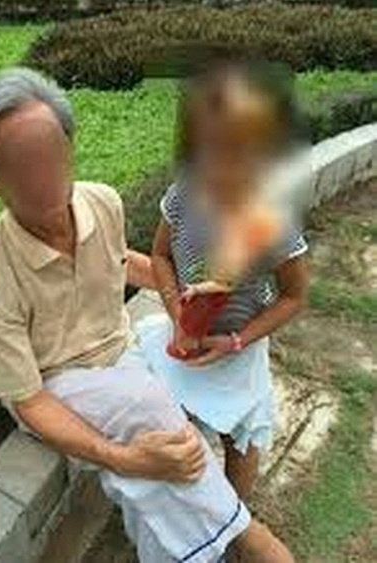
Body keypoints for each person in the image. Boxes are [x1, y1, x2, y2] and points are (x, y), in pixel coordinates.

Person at [0, 67, 296, 562]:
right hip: (58, 381)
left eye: (52, 153)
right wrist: (122, 457)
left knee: (239, 367)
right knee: (145, 409)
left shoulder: (101, 202)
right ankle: (247, 534)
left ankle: (210, 530)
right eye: (21, 164)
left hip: (123, 350)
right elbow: (29, 401)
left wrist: (189, 305)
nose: (42, 175)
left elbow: (122, 263)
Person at [138, 60, 310, 501]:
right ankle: (186, 503)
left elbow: (293, 296)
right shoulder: (183, 196)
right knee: (174, 419)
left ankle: (236, 515)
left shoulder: (270, 220)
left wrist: (237, 340)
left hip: (239, 347)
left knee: (241, 434)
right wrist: (177, 311)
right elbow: (160, 255)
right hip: (184, 339)